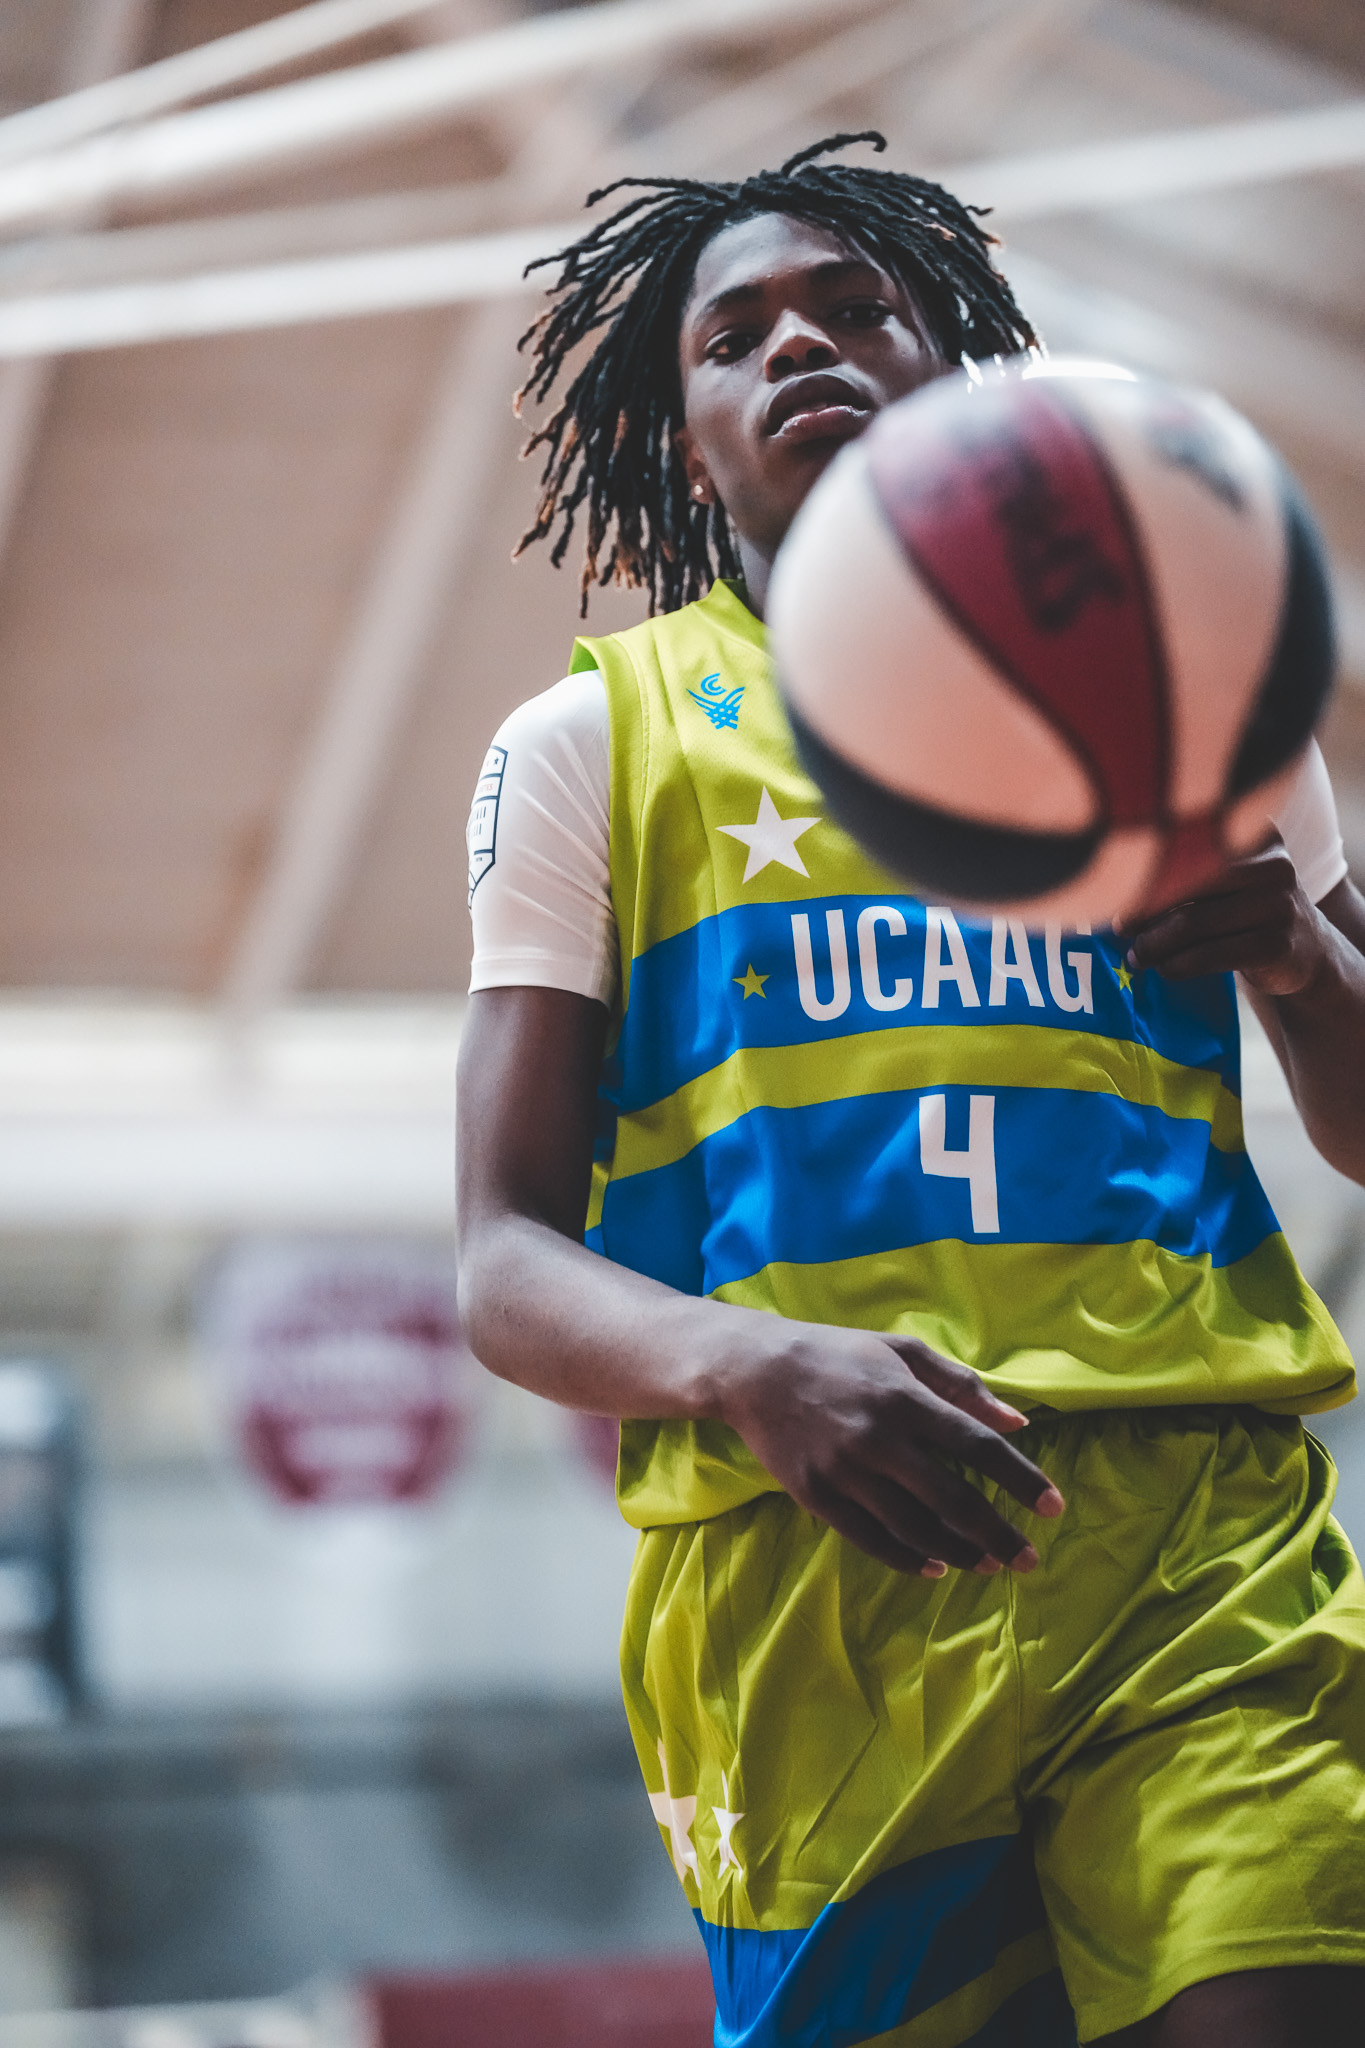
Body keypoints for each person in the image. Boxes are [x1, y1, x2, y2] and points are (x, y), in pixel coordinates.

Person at [456, 134, 1365, 2047]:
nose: (799, 345)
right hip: (815, 1570)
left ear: (956, 366)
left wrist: (1301, 957)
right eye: (734, 337)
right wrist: (741, 1365)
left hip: (1195, 1541)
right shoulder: (592, 742)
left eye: (856, 307)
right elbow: (501, 1264)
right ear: (681, 439)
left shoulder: (1190, 680)